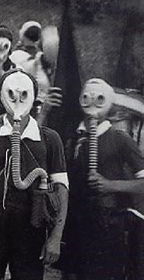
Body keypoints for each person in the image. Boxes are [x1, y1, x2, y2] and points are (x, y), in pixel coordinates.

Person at [0, 70, 68, 280]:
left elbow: (61, 188)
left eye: (24, 94)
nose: (17, 101)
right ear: (2, 97)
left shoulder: (49, 139)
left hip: (31, 223)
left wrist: (56, 236)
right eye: (11, 95)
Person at [56, 79, 144, 279]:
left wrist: (110, 185)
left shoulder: (120, 139)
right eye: (87, 97)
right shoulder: (74, 139)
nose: (92, 103)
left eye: (99, 98)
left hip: (108, 222)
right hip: (77, 221)